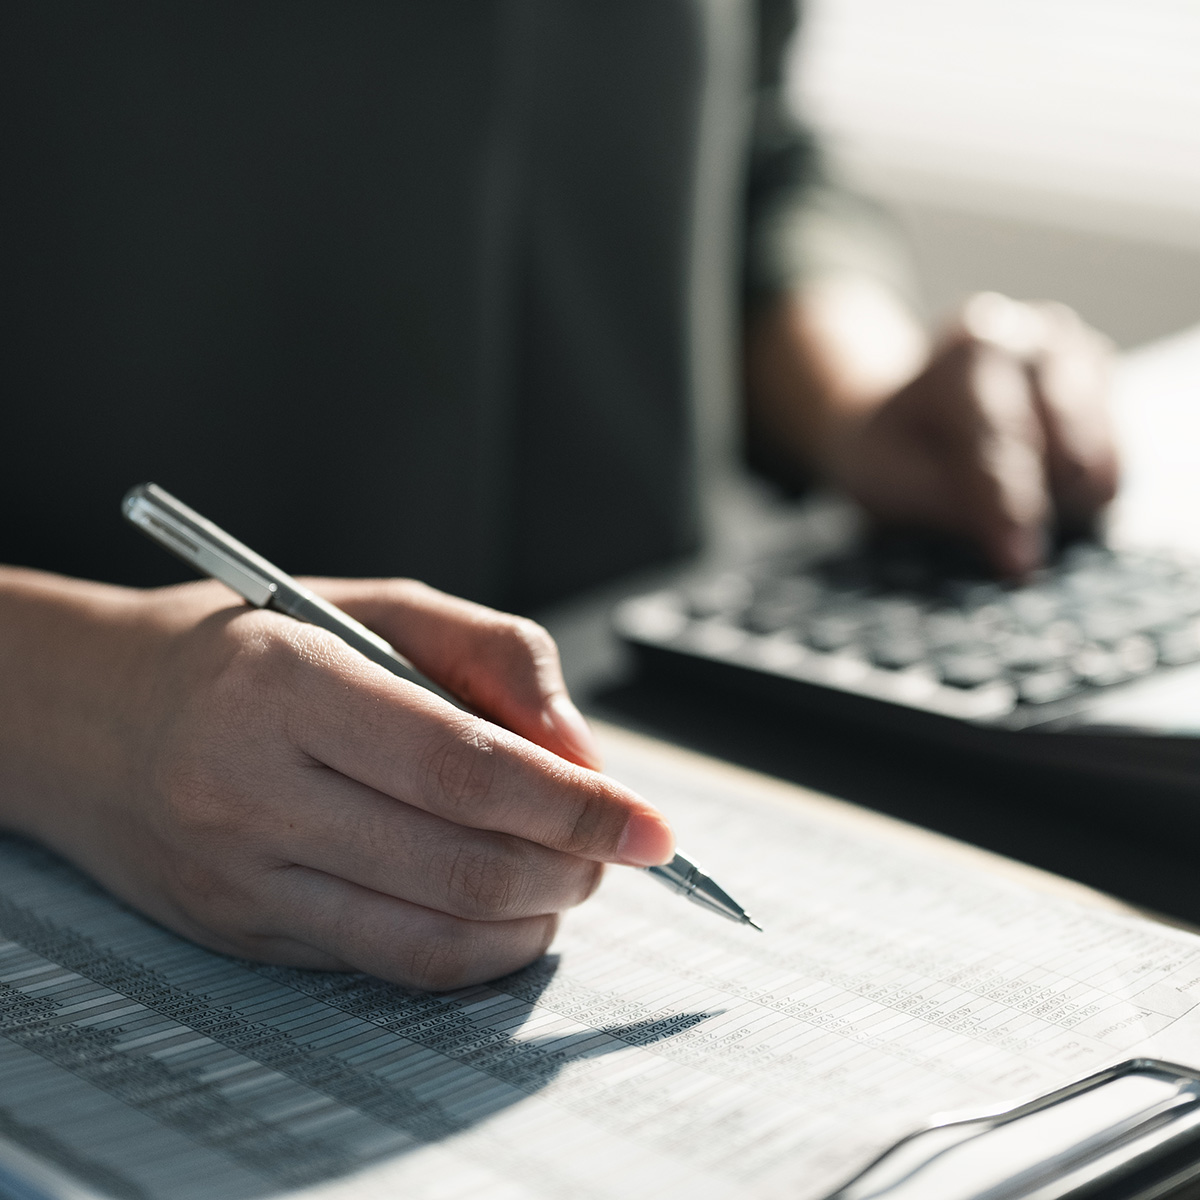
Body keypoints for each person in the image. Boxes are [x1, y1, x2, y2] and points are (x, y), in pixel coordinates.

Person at [0, 2, 1116, 989]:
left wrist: (860, 395)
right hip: (96, 848)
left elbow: (756, 148)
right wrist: (73, 709)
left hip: (668, 679)